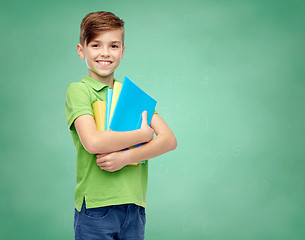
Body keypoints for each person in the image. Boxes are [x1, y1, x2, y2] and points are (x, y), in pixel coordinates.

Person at [65, 11, 177, 240]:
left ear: (122, 52)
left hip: (134, 208)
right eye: (96, 45)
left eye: (114, 46)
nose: (105, 53)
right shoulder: (79, 91)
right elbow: (93, 142)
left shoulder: (131, 95)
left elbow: (169, 140)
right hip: (96, 207)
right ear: (81, 50)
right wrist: (142, 134)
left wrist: (125, 157)